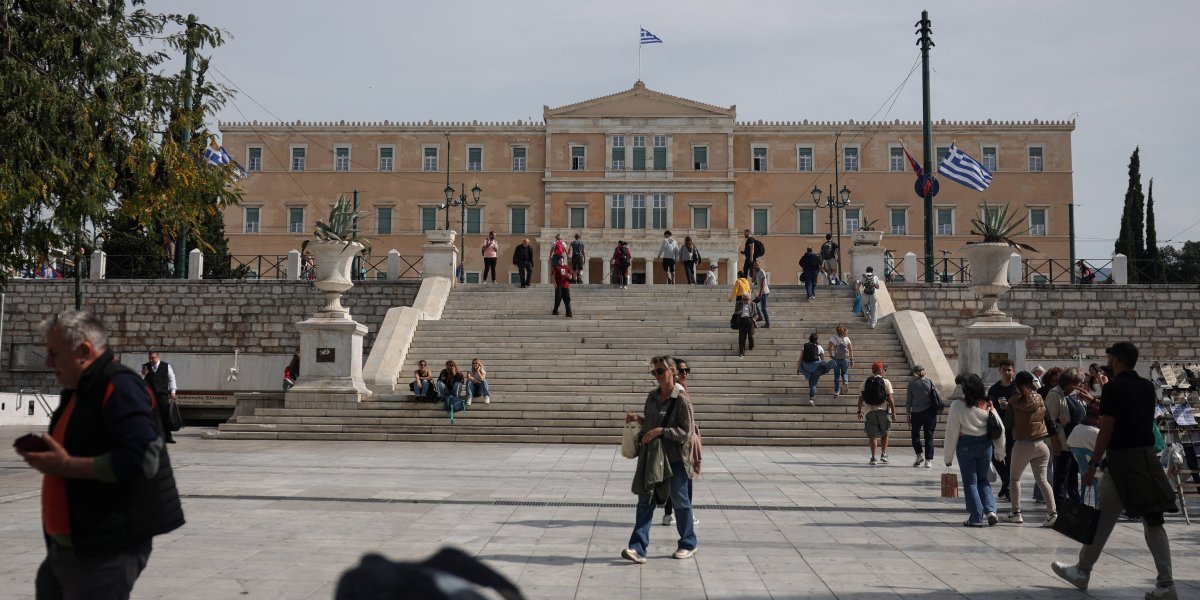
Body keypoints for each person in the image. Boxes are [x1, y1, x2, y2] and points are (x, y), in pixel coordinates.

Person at [17, 310, 184, 599]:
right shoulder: (80, 388)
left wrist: (67, 465)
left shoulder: (120, 386)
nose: (48, 362)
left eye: (54, 353)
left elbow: (143, 459)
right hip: (70, 546)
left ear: (83, 351)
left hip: (105, 549)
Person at [1052, 342, 1178, 600]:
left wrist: (1093, 465)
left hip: (1122, 461)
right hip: (1145, 459)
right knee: (1148, 521)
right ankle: (1164, 584)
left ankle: (1084, 571)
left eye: (1110, 357)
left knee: (1107, 519)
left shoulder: (1114, 388)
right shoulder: (1146, 386)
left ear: (1117, 360)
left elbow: (1107, 430)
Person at [622, 355, 698, 564]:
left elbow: (686, 431)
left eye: (660, 371)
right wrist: (639, 420)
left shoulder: (681, 399)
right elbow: (650, 425)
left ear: (672, 372)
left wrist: (661, 431)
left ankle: (688, 543)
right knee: (644, 500)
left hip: (674, 459)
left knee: (680, 501)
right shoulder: (652, 397)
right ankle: (637, 548)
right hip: (654, 458)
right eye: (654, 371)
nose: (657, 375)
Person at [943, 373, 1005, 527]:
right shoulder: (988, 404)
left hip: (965, 445)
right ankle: (991, 511)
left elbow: (951, 432)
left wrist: (948, 457)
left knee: (970, 482)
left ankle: (976, 517)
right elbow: (999, 427)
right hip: (985, 445)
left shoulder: (957, 405)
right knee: (983, 480)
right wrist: (1000, 451)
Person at [1003, 370, 1058, 526]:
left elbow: (1007, 424)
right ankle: (1052, 513)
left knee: (1014, 479)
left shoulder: (1013, 401)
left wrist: (1006, 409)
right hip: (1041, 444)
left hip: (1022, 445)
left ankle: (1016, 512)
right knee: (1042, 480)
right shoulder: (1040, 398)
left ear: (1018, 385)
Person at [662, 357, 700, 527]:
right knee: (685, 480)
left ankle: (669, 514)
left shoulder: (681, 388)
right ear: (674, 372)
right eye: (682, 370)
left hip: (676, 440)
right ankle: (686, 514)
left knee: (674, 480)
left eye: (687, 370)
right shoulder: (678, 391)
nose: (685, 373)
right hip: (680, 441)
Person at [1045, 367, 1086, 503]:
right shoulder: (1055, 394)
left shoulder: (1075, 394)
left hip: (1076, 442)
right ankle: (1059, 507)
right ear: (1070, 382)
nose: (1079, 386)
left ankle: (1075, 505)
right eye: (1077, 383)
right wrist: (1055, 443)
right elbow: (1050, 420)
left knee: (1073, 476)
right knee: (1061, 477)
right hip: (1063, 442)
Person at [988, 359, 1018, 501]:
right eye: (1004, 370)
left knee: (1011, 459)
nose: (1006, 372)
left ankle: (1008, 486)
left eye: (1009, 370)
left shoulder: (1017, 388)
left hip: (1014, 428)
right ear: (999, 371)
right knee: (996, 457)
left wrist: (1010, 407)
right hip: (998, 428)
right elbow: (989, 408)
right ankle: (1006, 482)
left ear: (1013, 371)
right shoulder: (994, 389)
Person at [857, 362, 896, 465]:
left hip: (869, 411)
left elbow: (861, 398)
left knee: (873, 436)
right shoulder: (886, 381)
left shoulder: (865, 381)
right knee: (885, 433)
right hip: (883, 410)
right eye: (883, 369)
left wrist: (859, 411)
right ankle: (883, 454)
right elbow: (890, 398)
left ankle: (873, 458)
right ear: (880, 370)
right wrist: (894, 412)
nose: (884, 371)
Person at [906, 365, 940, 468]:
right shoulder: (930, 382)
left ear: (914, 372)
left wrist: (908, 414)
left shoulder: (911, 384)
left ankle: (919, 455)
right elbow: (937, 394)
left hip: (916, 412)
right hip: (930, 412)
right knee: (929, 436)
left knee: (915, 434)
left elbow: (909, 401)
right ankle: (928, 460)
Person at [141, 351, 178, 444]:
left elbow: (171, 378)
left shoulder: (166, 366)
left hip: (162, 395)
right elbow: (140, 379)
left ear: (158, 357)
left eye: (153, 358)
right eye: (150, 358)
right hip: (149, 395)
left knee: (164, 416)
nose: (151, 360)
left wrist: (173, 391)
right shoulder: (145, 366)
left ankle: (168, 437)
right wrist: (143, 374)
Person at [796, 333, 828, 406]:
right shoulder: (819, 347)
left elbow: (801, 358)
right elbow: (822, 360)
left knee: (810, 381)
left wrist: (798, 368)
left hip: (806, 367)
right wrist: (823, 371)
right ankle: (812, 398)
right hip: (816, 368)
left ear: (809, 339)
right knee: (813, 384)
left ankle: (808, 375)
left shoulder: (805, 347)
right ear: (816, 339)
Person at [827, 324, 853, 397]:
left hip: (836, 359)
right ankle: (845, 382)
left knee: (836, 376)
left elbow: (829, 348)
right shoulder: (846, 339)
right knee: (844, 373)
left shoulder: (833, 338)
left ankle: (837, 391)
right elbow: (851, 350)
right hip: (845, 359)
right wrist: (852, 360)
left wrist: (831, 355)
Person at [733, 292, 759, 358]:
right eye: (744, 299)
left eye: (747, 299)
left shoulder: (753, 304)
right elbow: (735, 312)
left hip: (750, 320)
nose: (746, 301)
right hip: (741, 320)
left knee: (750, 335)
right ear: (742, 299)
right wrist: (738, 313)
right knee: (742, 337)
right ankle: (741, 351)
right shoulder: (739, 303)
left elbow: (756, 314)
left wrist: (754, 319)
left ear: (749, 298)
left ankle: (751, 346)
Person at [750, 261, 770, 328]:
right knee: (754, 303)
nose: (756, 266)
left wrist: (761, 292)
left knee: (763, 309)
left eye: (757, 265)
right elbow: (753, 281)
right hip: (762, 292)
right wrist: (753, 273)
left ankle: (767, 323)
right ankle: (760, 316)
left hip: (764, 292)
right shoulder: (757, 272)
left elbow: (763, 282)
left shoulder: (761, 271)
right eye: (754, 265)